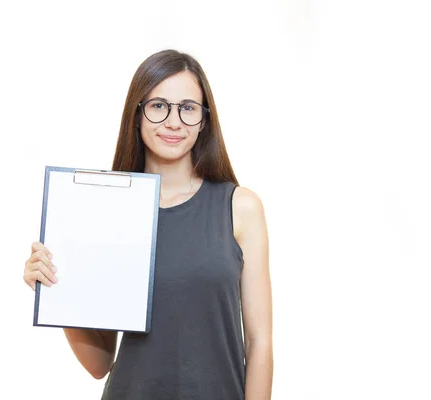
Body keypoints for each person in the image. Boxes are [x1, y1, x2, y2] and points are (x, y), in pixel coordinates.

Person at [23, 49, 273, 399]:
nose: (173, 122)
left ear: (204, 120)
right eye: (158, 106)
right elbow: (99, 363)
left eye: (187, 108)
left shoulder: (240, 206)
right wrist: (55, 291)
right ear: (137, 115)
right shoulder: (108, 211)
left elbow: (260, 341)